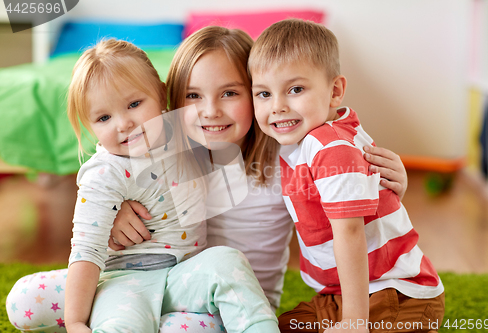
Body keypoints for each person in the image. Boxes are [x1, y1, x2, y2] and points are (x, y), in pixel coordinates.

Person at [6, 26, 408, 333]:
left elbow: (341, 181)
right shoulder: (169, 144)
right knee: (23, 299)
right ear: (172, 101)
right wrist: (117, 209)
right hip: (143, 279)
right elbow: (108, 165)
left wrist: (392, 179)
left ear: (257, 93)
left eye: (230, 93)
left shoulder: (285, 152)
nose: (210, 111)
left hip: (227, 305)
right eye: (193, 96)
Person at [8, 38, 280, 333]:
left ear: (162, 95)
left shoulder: (184, 133)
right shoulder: (104, 174)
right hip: (125, 280)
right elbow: (86, 251)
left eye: (134, 104)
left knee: (226, 261)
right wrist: (75, 321)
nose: (124, 124)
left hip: (182, 275)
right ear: (89, 126)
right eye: (104, 117)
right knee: (110, 320)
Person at [247, 19, 445, 333]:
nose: (278, 106)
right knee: (280, 328)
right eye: (263, 94)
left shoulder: (328, 146)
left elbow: (350, 233)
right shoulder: (307, 140)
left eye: (295, 89)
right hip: (341, 292)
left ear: (335, 91)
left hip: (394, 292)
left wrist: (354, 321)